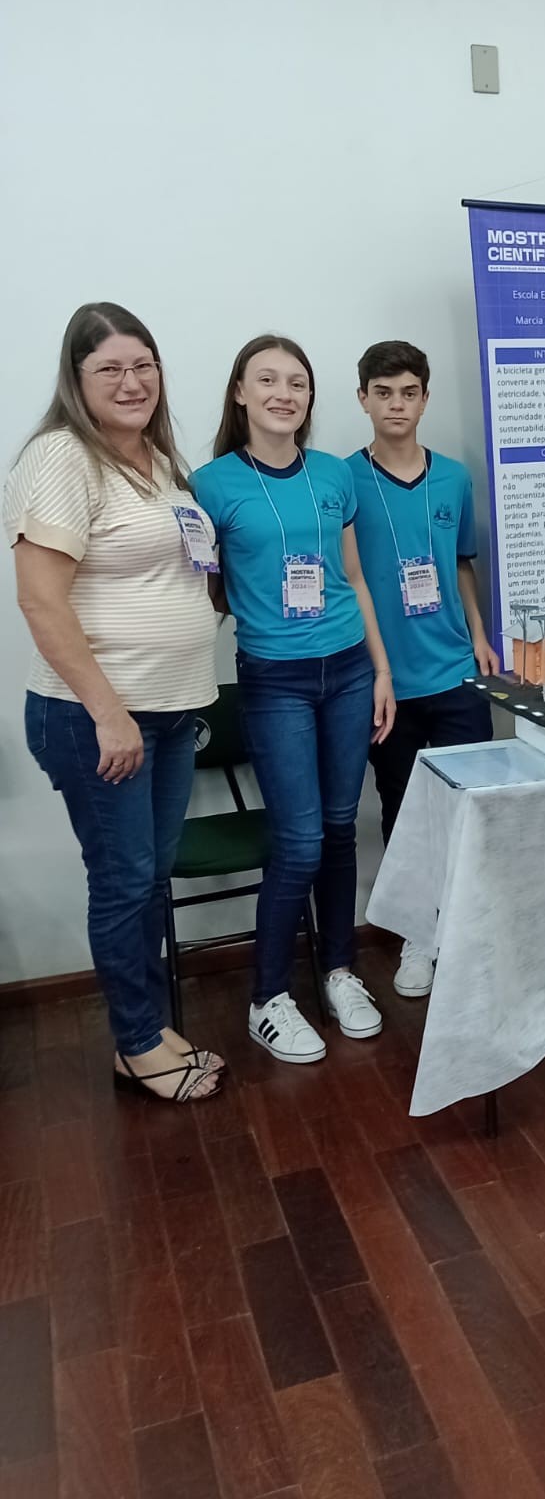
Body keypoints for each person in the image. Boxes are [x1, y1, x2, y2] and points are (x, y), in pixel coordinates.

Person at [5, 303, 224, 1102]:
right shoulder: (62, 457)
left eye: (143, 365)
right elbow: (40, 600)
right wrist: (108, 713)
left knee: (146, 878)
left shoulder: (159, 461)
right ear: (77, 378)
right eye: (110, 369)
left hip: (167, 713)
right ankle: (136, 1046)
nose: (132, 383)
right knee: (124, 881)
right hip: (97, 720)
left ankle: (151, 1029)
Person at [193, 336, 396, 1063]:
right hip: (274, 680)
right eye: (268, 380)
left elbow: (354, 577)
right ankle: (268, 998)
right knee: (301, 839)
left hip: (348, 671)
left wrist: (380, 671)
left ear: (311, 396)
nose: (284, 394)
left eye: (298, 382)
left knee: (340, 828)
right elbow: (204, 591)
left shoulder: (334, 474)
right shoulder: (209, 484)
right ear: (240, 392)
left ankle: (339, 971)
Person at [350, 340, 497, 998]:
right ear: (363, 399)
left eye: (408, 393)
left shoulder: (455, 478)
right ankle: (420, 936)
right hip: (389, 682)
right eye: (383, 393)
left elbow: (461, 564)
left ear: (425, 399)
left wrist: (479, 635)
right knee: (405, 811)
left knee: (471, 806)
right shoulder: (342, 481)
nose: (397, 406)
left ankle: (468, 931)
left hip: (455, 671)